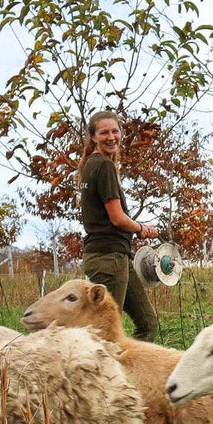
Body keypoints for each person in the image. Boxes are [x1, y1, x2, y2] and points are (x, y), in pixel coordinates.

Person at [78, 110, 161, 342]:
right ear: (93, 137)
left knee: (148, 324)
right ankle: (96, 366)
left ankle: (127, 365)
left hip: (115, 256)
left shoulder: (92, 165)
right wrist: (141, 228)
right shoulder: (103, 166)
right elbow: (117, 218)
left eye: (115, 131)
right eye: (104, 132)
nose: (111, 137)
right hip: (108, 259)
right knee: (104, 336)